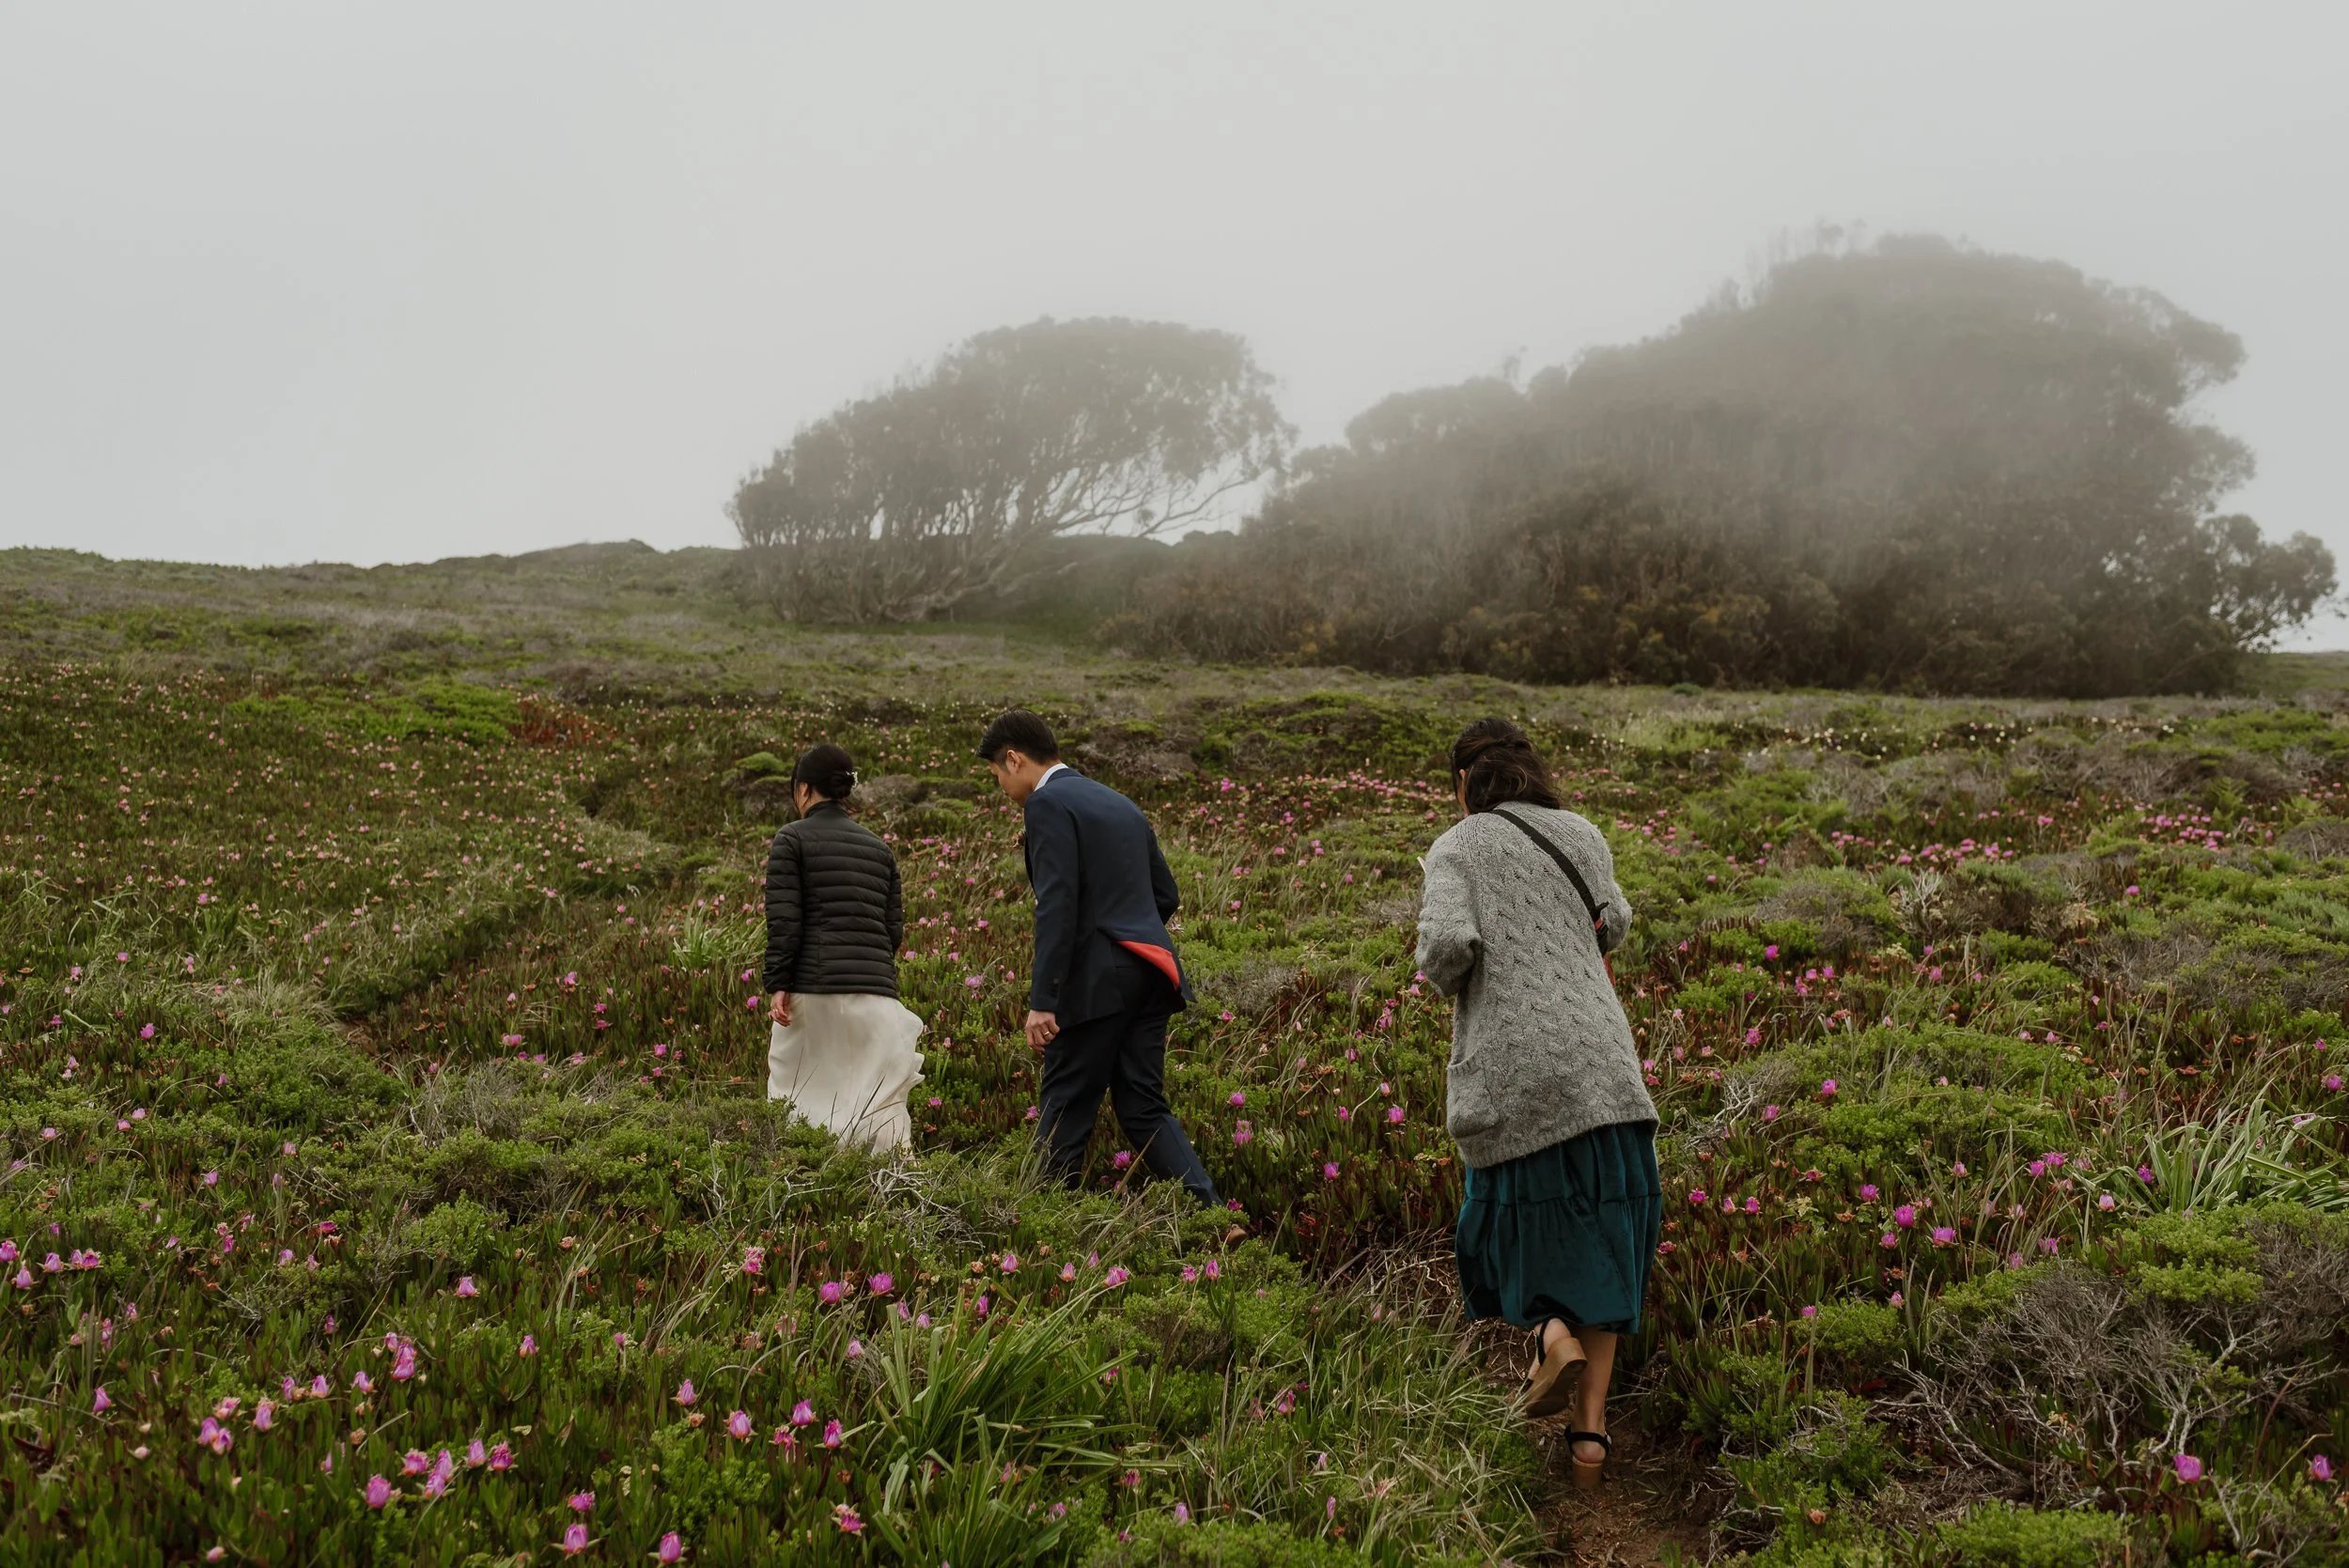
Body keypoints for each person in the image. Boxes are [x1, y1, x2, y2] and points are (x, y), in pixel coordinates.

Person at [1414, 717, 1659, 1491]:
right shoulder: (1581, 831)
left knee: (1516, 1235)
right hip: (1606, 1065)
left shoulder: (1460, 843)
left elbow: (1446, 949)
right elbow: (1614, 921)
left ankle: (1551, 1334)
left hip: (1520, 1071)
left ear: (1463, 782)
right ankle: (1590, 1443)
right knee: (1605, 1242)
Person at [977, 710, 1219, 1205]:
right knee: (1143, 1106)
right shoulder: (1119, 803)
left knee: (1066, 1103)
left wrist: (1044, 999)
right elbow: (1164, 893)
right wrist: (1128, 928)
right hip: (1152, 971)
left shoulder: (1046, 805)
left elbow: (1058, 906)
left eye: (997, 774)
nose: (1001, 785)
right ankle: (1212, 1214)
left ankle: (1045, 1228)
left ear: (1014, 758)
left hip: (1096, 980)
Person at [762, 743, 924, 1156]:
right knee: (874, 1103)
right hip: (877, 996)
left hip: (814, 992)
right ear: (845, 791)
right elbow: (892, 932)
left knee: (800, 1095)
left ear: (802, 789)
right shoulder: (879, 848)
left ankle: (809, 1192)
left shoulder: (791, 839)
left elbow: (786, 923)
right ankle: (888, 1195)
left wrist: (779, 983)